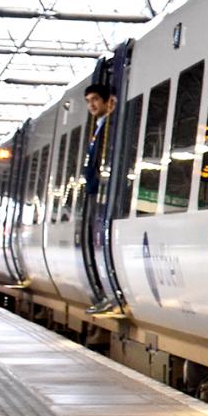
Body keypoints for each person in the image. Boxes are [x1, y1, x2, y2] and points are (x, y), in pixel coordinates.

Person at [81, 83, 121, 314]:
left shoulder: (111, 126)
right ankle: (102, 294)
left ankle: (107, 294)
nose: (92, 105)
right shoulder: (98, 127)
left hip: (104, 193)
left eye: (95, 99)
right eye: (88, 101)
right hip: (95, 191)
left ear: (109, 101)